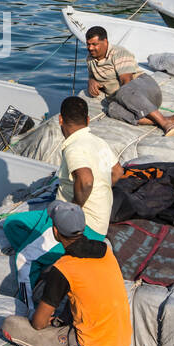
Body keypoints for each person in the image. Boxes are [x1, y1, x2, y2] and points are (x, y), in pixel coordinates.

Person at [0, 201, 132, 346]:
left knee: (10, 325)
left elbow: (39, 324)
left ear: (54, 231)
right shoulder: (106, 252)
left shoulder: (64, 268)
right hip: (120, 345)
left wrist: (43, 318)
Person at [84, 26, 174, 133]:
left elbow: (127, 83)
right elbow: (92, 75)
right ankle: (165, 120)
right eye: (88, 44)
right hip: (129, 101)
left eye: (94, 44)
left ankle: (164, 123)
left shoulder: (118, 53)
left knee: (124, 91)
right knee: (112, 109)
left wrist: (122, 100)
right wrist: (91, 80)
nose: (90, 48)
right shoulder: (90, 59)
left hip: (145, 91)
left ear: (105, 41)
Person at [55, 95, 121, 240]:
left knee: (13, 224)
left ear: (60, 119)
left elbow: (86, 181)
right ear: (88, 120)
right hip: (101, 225)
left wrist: (73, 210)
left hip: (82, 226)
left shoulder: (74, 147)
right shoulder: (99, 141)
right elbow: (117, 171)